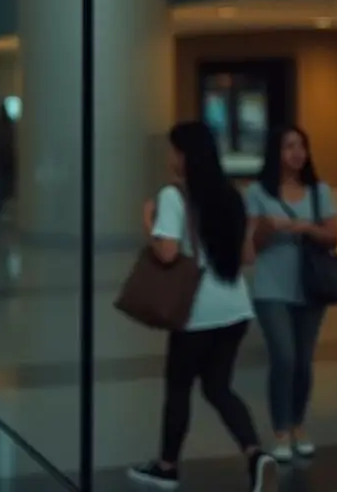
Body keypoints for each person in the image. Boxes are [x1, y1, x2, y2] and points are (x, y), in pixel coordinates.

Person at [127, 122, 277, 492]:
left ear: (184, 155)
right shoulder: (230, 194)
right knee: (217, 387)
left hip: (197, 312)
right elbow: (245, 256)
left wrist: (147, 222)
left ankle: (166, 467)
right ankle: (256, 454)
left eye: (172, 150)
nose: (169, 158)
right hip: (236, 309)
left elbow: (167, 253)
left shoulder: (174, 196)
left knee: (178, 387)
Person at [246, 125, 337, 462]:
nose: (297, 152)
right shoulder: (257, 192)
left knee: (303, 362)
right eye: (289, 146)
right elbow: (250, 248)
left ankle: (299, 423)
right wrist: (269, 228)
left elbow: (332, 237)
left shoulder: (319, 191)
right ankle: (281, 429)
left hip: (312, 287)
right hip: (272, 288)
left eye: (301, 145)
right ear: (276, 152)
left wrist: (305, 228)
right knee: (283, 357)